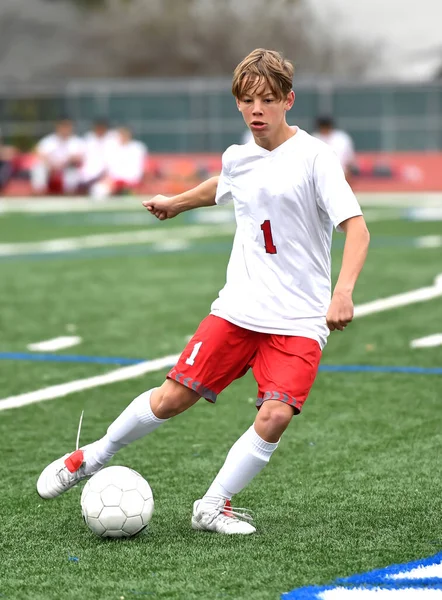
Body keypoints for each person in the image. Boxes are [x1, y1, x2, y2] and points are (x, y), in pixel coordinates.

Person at [37, 48, 370, 535]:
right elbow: (223, 184)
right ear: (238, 103)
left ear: (288, 100)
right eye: (248, 100)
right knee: (172, 399)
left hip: (299, 319)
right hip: (238, 308)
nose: (257, 109)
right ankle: (91, 457)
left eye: (268, 99)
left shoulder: (316, 157)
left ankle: (212, 506)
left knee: (275, 416)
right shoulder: (238, 156)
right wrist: (175, 203)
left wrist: (343, 291)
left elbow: (357, 229)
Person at [88, 126, 147, 199]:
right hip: (113, 181)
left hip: (130, 180)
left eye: (124, 134)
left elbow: (136, 171)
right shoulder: (113, 147)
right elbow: (108, 167)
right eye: (121, 134)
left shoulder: (137, 148)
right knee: (98, 189)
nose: (122, 137)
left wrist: (121, 182)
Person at [30, 117, 84, 195]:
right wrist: (51, 164)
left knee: (72, 169)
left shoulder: (77, 141)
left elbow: (79, 157)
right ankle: (39, 192)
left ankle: (70, 193)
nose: (65, 129)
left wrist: (65, 163)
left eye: (67, 126)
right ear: (58, 127)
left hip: (67, 167)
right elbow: (39, 154)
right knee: (38, 167)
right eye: (63, 126)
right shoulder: (49, 140)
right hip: (50, 167)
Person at [78, 118, 118, 196]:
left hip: (107, 178)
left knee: (100, 191)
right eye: (98, 128)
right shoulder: (88, 140)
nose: (100, 131)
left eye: (102, 128)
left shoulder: (113, 141)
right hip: (88, 177)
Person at [312, 115, 356, 184]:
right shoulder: (314, 139)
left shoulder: (342, 138)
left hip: (340, 176)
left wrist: (348, 178)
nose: (325, 128)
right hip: (319, 178)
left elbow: (349, 162)